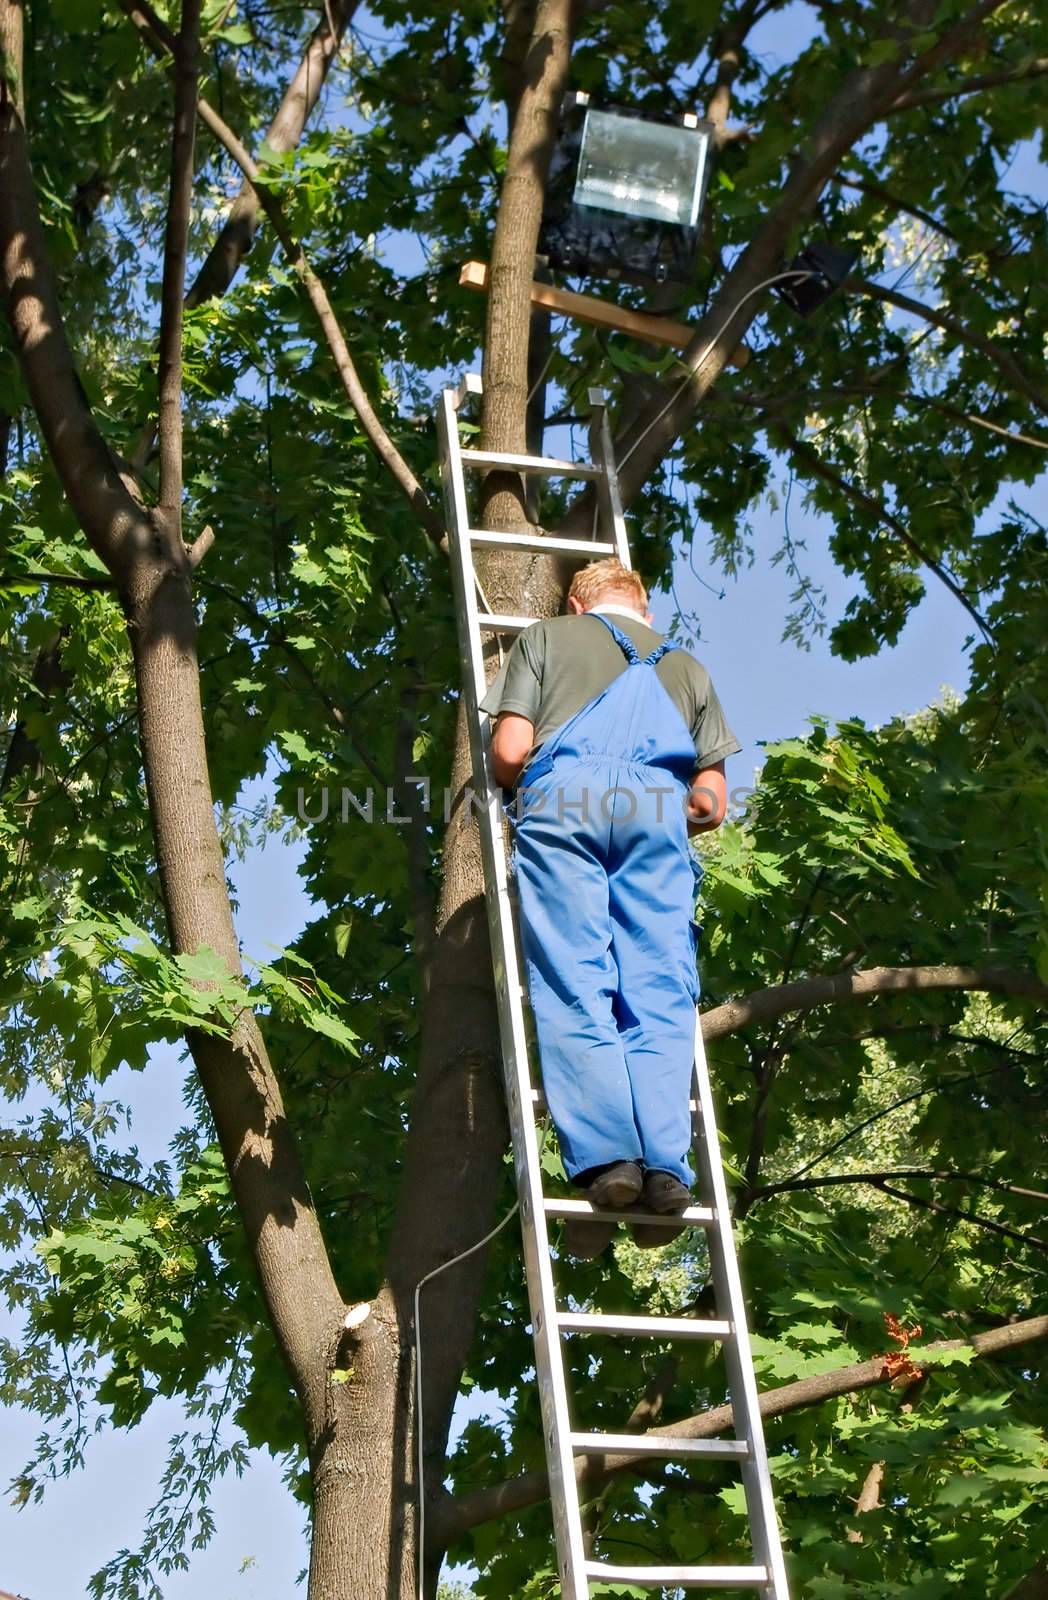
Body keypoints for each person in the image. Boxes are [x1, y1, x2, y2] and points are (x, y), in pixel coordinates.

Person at [481, 558, 741, 1256]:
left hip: (564, 803)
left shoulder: (548, 638)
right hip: (657, 818)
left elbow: (510, 751)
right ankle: (664, 1170)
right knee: (657, 993)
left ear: (576, 602)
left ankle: (609, 1161)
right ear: (644, 609)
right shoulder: (687, 669)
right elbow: (710, 805)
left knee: (576, 979)